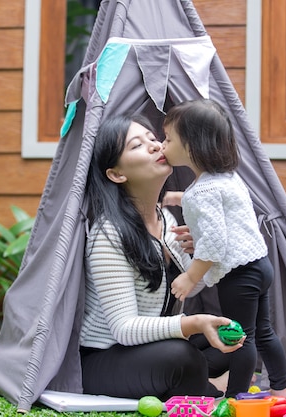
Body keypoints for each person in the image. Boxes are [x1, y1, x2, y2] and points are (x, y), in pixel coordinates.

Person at [80, 112, 243, 401]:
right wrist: (193, 324)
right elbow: (124, 329)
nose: (156, 146)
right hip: (106, 357)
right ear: (117, 174)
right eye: (136, 145)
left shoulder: (164, 218)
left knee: (238, 337)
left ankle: (201, 379)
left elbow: (194, 283)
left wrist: (206, 253)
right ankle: (212, 390)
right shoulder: (108, 234)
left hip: (155, 346)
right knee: (183, 357)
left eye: (154, 139)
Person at [161, 98, 286, 400]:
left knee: (240, 338)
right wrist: (179, 198)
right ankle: (281, 387)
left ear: (191, 146)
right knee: (264, 332)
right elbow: (218, 207)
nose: (163, 145)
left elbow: (214, 243)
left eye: (169, 139)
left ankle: (236, 396)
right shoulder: (225, 179)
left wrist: (190, 277)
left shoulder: (204, 191)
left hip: (238, 276)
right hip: (260, 266)